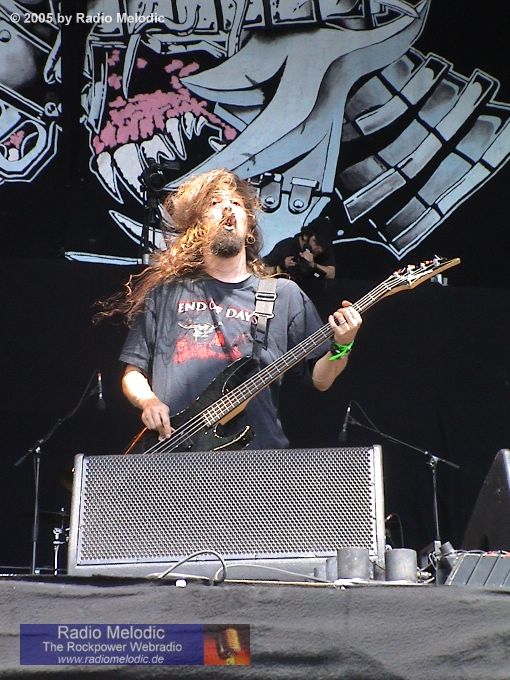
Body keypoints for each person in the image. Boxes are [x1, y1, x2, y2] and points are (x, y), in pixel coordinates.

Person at [106, 168, 361, 450]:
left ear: (248, 227)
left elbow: (321, 380)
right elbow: (133, 373)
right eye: (215, 202)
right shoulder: (166, 293)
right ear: (198, 225)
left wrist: (343, 345)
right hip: (176, 450)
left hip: (256, 460)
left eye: (236, 203)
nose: (227, 208)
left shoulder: (283, 295)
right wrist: (148, 401)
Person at [263, 217, 336, 283]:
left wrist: (312, 265)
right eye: (316, 242)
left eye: (323, 246)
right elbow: (261, 270)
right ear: (306, 236)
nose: (319, 249)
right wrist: (281, 267)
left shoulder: (324, 251)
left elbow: (331, 274)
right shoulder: (287, 245)